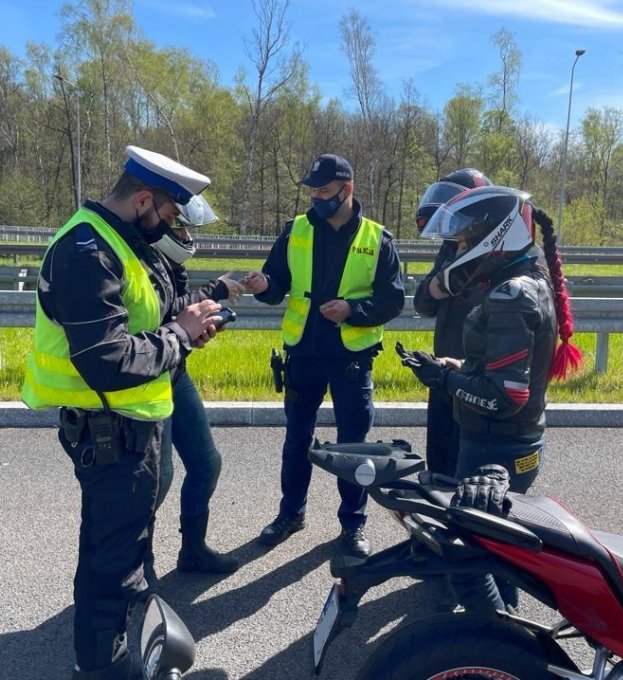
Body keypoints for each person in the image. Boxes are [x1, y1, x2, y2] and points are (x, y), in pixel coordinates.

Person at [21, 145, 224, 679]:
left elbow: (148, 319)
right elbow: (108, 361)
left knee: (113, 557)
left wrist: (190, 323)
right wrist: (179, 336)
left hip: (130, 425)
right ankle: (100, 668)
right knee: (113, 567)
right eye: (171, 214)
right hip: (109, 429)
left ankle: (97, 658)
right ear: (142, 201)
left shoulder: (124, 241)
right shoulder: (87, 251)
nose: (173, 227)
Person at [399, 184, 581, 611]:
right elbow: (508, 375)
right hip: (509, 440)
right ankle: (501, 642)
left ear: (491, 236)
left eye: (463, 240)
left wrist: (444, 382)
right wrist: (457, 369)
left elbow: (506, 396)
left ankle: (499, 646)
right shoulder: (523, 281)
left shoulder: (510, 295)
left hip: (496, 444)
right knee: (498, 554)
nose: (458, 248)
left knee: (473, 564)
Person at [242, 153, 405, 558]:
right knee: (297, 440)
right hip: (303, 354)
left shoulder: (377, 238)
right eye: (313, 191)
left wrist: (353, 311)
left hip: (351, 358)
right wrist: (263, 285)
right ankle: (290, 513)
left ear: (346, 190)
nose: (316, 198)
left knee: (353, 447)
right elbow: (276, 284)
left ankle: (353, 524)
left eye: (325, 191)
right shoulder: (295, 230)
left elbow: (392, 300)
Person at [150, 198, 244, 575]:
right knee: (159, 479)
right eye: (180, 226)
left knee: (206, 463)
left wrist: (197, 331)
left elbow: (177, 313)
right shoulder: (140, 258)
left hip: (175, 373)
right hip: (148, 380)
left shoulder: (170, 262)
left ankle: (192, 551)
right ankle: (137, 564)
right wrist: (215, 291)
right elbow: (165, 311)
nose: (186, 237)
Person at [413, 168, 492, 477]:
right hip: (444, 374)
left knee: (473, 475)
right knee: (441, 467)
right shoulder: (450, 247)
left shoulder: (502, 253)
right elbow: (423, 302)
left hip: (482, 381)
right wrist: (441, 284)